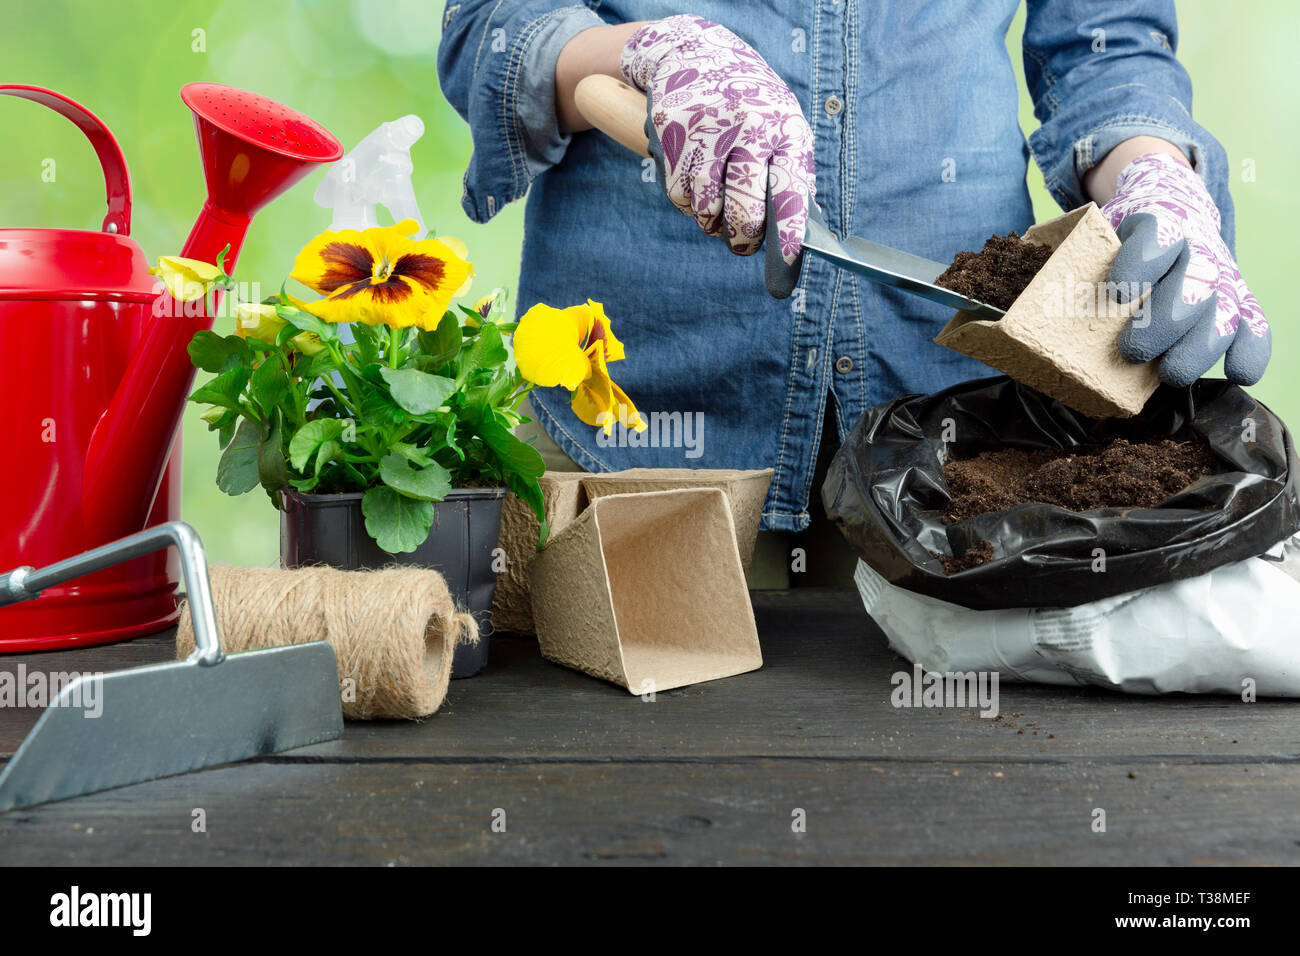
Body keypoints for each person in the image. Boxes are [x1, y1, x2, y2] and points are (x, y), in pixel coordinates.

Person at [438, 2, 1270, 586]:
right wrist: (649, 51)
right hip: (634, 430)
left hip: (958, 460)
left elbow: (1104, 42)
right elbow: (491, 25)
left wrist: (1153, 172)